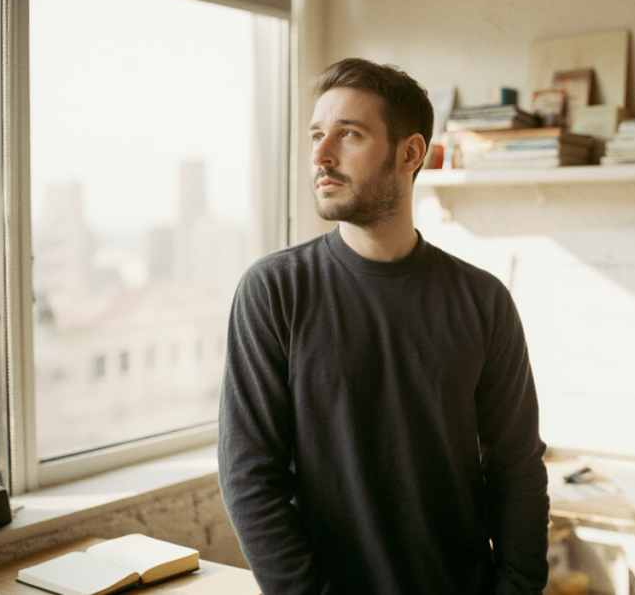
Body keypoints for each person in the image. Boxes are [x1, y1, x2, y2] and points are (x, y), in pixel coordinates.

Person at [217, 58, 550, 595]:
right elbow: (249, 480)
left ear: (410, 153)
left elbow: (517, 470)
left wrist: (516, 589)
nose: (321, 156)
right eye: (317, 136)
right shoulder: (274, 292)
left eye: (349, 134)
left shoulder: (483, 301)